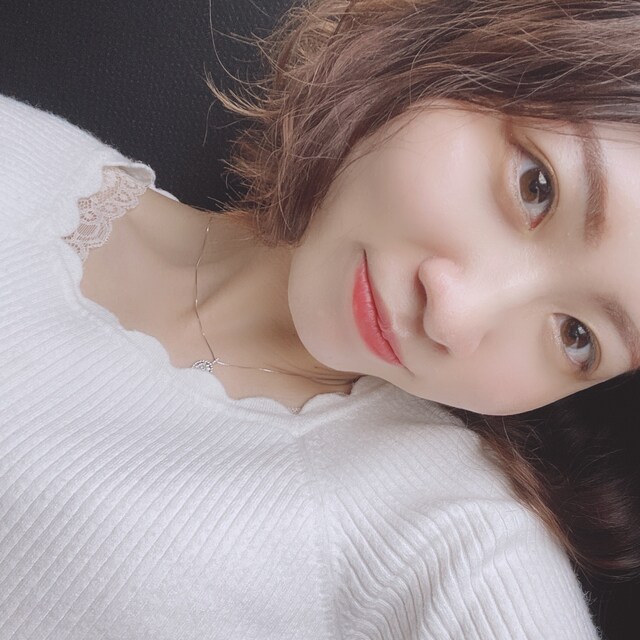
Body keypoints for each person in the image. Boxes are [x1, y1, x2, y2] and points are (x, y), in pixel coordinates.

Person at [1, 0, 639, 637]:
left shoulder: (455, 537)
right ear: (459, 49)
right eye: (536, 186)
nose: (455, 314)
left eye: (576, 337)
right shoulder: (21, 158)